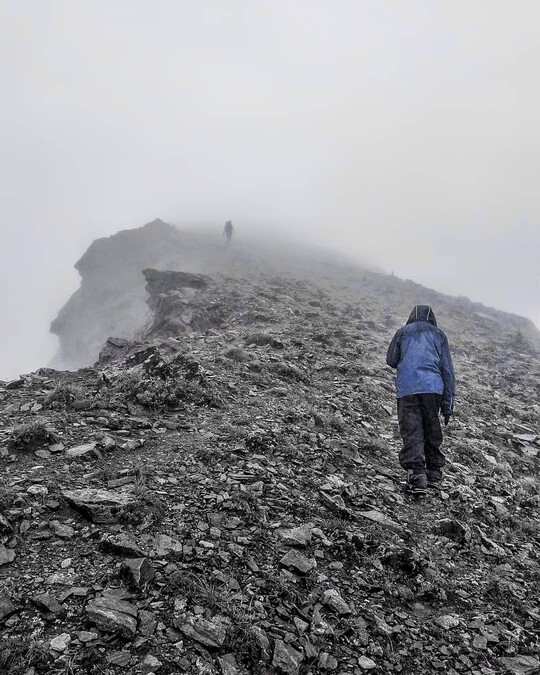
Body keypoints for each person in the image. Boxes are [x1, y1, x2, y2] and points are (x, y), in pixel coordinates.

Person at [386, 305, 455, 494]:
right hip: (433, 389)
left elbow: (391, 360)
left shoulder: (402, 332)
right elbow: (447, 371)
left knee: (412, 430)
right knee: (432, 428)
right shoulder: (439, 335)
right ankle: (434, 474)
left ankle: (416, 477)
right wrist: (448, 405)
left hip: (408, 388)